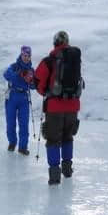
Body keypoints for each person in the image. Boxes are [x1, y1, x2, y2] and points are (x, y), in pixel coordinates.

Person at [34, 31, 82, 185]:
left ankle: (55, 175)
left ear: (54, 43)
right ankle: (67, 170)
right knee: (68, 137)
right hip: (73, 106)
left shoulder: (49, 60)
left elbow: (38, 82)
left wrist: (46, 92)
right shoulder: (75, 59)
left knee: (53, 140)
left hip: (54, 107)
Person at [3, 45, 35, 155]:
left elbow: (33, 86)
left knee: (24, 124)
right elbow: (6, 75)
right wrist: (19, 75)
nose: (26, 57)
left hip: (24, 98)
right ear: (21, 55)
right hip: (12, 96)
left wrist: (31, 81)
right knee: (10, 122)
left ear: (30, 57)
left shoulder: (31, 70)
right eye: (24, 55)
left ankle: (22, 147)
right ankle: (12, 142)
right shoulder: (14, 66)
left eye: (28, 56)